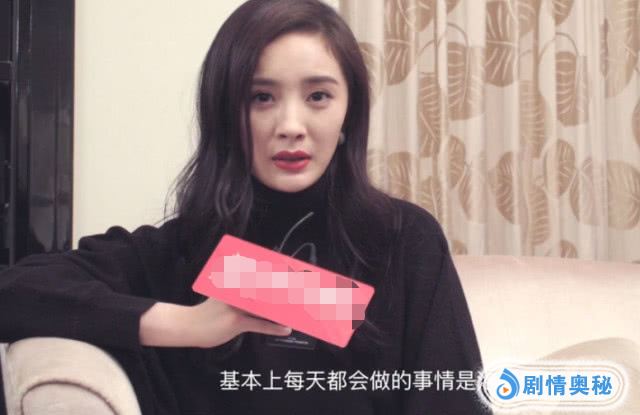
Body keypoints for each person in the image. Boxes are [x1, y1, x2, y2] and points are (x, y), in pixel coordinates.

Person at [0, 0, 491, 413]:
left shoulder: (401, 238)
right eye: (261, 97)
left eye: (318, 96)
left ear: (349, 113)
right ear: (224, 113)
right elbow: (14, 292)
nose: (291, 125)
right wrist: (187, 325)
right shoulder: (183, 249)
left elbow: (454, 399)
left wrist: (286, 292)